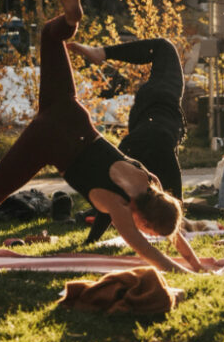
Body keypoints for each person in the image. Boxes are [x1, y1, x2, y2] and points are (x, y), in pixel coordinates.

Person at [0, 0, 206, 273]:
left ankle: (70, 20)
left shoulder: (151, 182)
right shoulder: (118, 206)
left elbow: (171, 226)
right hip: (48, 139)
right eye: (148, 229)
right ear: (143, 219)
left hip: (70, 111)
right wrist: (186, 271)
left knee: (51, 36)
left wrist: (195, 262)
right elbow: (146, 250)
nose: (146, 234)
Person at [66, 37, 188, 243]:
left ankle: (102, 52)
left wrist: (91, 241)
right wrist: (91, 239)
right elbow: (109, 205)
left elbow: (176, 197)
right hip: (145, 114)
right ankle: (101, 52)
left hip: (156, 106)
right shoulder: (138, 172)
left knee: (163, 47)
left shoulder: (150, 171)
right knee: (163, 48)